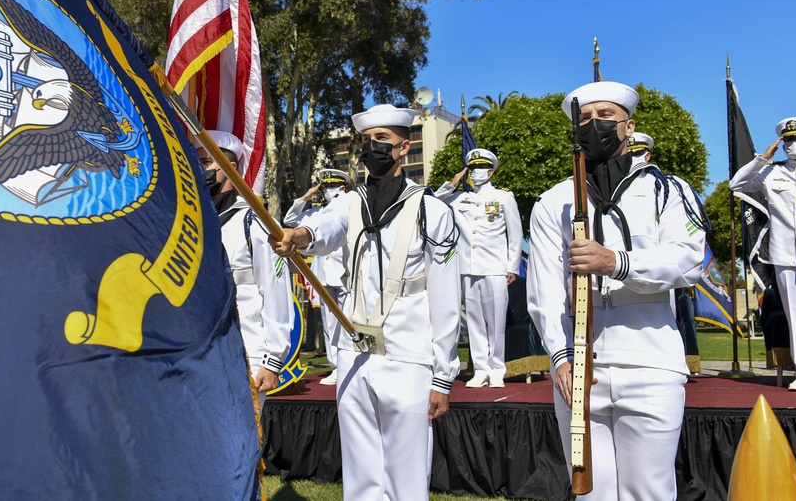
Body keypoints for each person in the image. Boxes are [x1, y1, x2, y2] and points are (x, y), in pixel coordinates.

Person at [270, 104, 461, 501]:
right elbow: (326, 225)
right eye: (366, 141)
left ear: (404, 148)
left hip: (408, 354)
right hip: (353, 354)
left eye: (382, 141)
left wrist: (443, 375)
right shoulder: (349, 202)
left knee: (406, 478)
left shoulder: (432, 209)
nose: (372, 148)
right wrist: (301, 235)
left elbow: (445, 298)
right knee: (360, 477)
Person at [527, 82, 706, 501]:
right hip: (580, 368)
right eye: (585, 119)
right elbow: (545, 293)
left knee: (650, 491)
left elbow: (689, 261)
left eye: (605, 116)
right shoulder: (554, 202)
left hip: (650, 360)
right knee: (592, 494)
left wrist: (617, 263)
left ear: (629, 126)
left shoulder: (669, 190)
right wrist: (561, 358)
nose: (595, 125)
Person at [729, 117, 796, 392]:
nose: (792, 145)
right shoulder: (770, 173)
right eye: (787, 140)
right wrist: (762, 158)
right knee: (795, 314)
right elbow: (736, 185)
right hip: (785, 254)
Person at [198, 131, 293, 407]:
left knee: (242, 444)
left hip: (246, 353)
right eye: (198, 162)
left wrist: (272, 360)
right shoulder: (194, 221)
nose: (199, 169)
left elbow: (276, 293)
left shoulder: (255, 223)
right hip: (199, 355)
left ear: (230, 168)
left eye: (206, 163)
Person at [435, 148, 522, 387]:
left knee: (495, 323)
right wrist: (451, 184)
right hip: (466, 268)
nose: (475, 173)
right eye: (472, 169)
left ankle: (497, 369)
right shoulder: (460, 199)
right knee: (474, 322)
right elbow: (431, 202)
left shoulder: (504, 198)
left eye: (480, 168)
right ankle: (480, 369)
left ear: (491, 171)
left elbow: (515, 235)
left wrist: (512, 267)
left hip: (494, 267)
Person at [627, 132, 702, 373]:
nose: (633, 157)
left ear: (648, 155)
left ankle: (670, 366)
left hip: (658, 265)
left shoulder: (664, 186)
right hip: (619, 268)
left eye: (637, 153)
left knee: (665, 319)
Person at [283, 168, 354, 385]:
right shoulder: (317, 212)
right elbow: (290, 220)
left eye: (331, 186)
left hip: (344, 273)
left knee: (348, 322)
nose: (327, 190)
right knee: (329, 323)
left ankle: (349, 364)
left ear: (342, 187)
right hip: (324, 274)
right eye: (325, 186)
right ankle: (336, 366)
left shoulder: (350, 202)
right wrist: (305, 197)